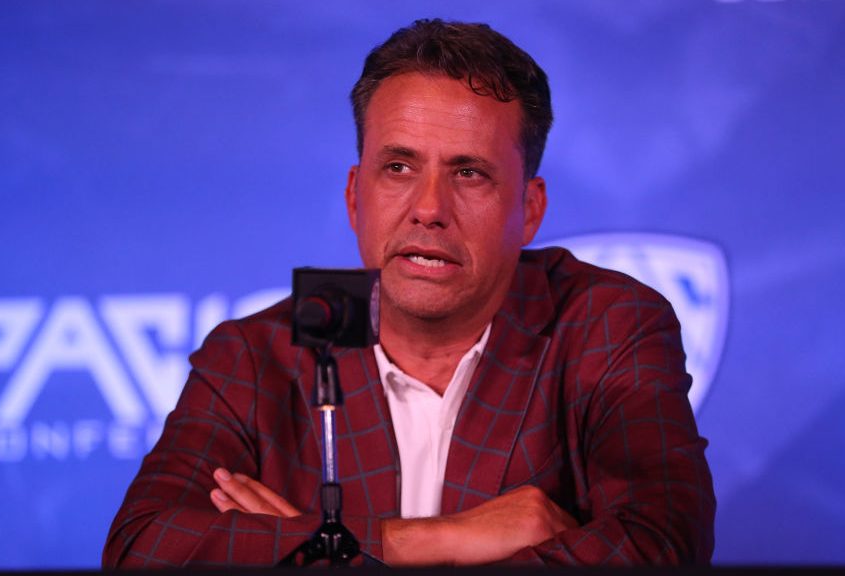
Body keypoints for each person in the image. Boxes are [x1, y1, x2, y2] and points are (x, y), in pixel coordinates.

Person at [103, 19, 715, 567]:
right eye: (398, 167)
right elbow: (142, 548)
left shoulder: (605, 322)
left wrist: (300, 544)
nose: (428, 209)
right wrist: (431, 540)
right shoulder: (258, 350)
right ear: (353, 195)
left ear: (529, 210)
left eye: (469, 173)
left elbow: (658, 544)